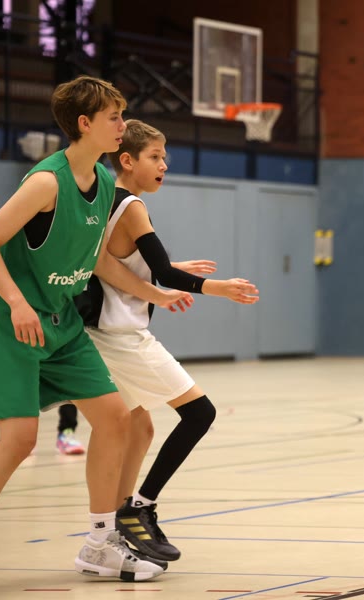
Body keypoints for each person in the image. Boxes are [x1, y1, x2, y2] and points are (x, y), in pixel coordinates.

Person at [0, 75, 189, 581]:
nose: (123, 125)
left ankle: (100, 545)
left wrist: (156, 293)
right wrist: (16, 302)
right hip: (13, 322)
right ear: (85, 124)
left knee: (117, 419)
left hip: (62, 324)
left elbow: (100, 261)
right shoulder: (46, 182)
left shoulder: (104, 184)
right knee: (19, 440)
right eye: (114, 117)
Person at [74, 118, 259, 563]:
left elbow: (121, 262)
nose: (164, 165)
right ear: (127, 160)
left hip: (100, 334)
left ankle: (117, 522)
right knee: (199, 413)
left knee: (139, 427)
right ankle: (141, 506)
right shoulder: (132, 205)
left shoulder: (107, 201)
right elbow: (162, 273)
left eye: (165, 157)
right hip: (121, 336)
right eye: (155, 157)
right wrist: (219, 287)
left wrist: (172, 270)